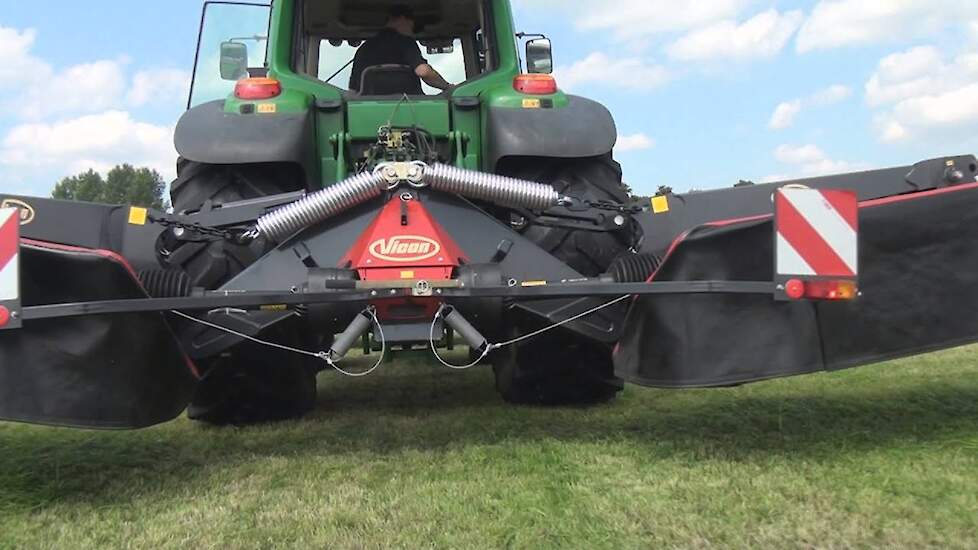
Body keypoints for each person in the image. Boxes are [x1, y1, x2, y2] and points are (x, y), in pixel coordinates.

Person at [349, 4, 454, 94]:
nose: (412, 31)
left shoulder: (363, 49)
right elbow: (423, 71)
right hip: (411, 108)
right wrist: (447, 87)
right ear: (402, 18)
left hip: (368, 112)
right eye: (412, 24)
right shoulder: (405, 41)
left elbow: (352, 91)